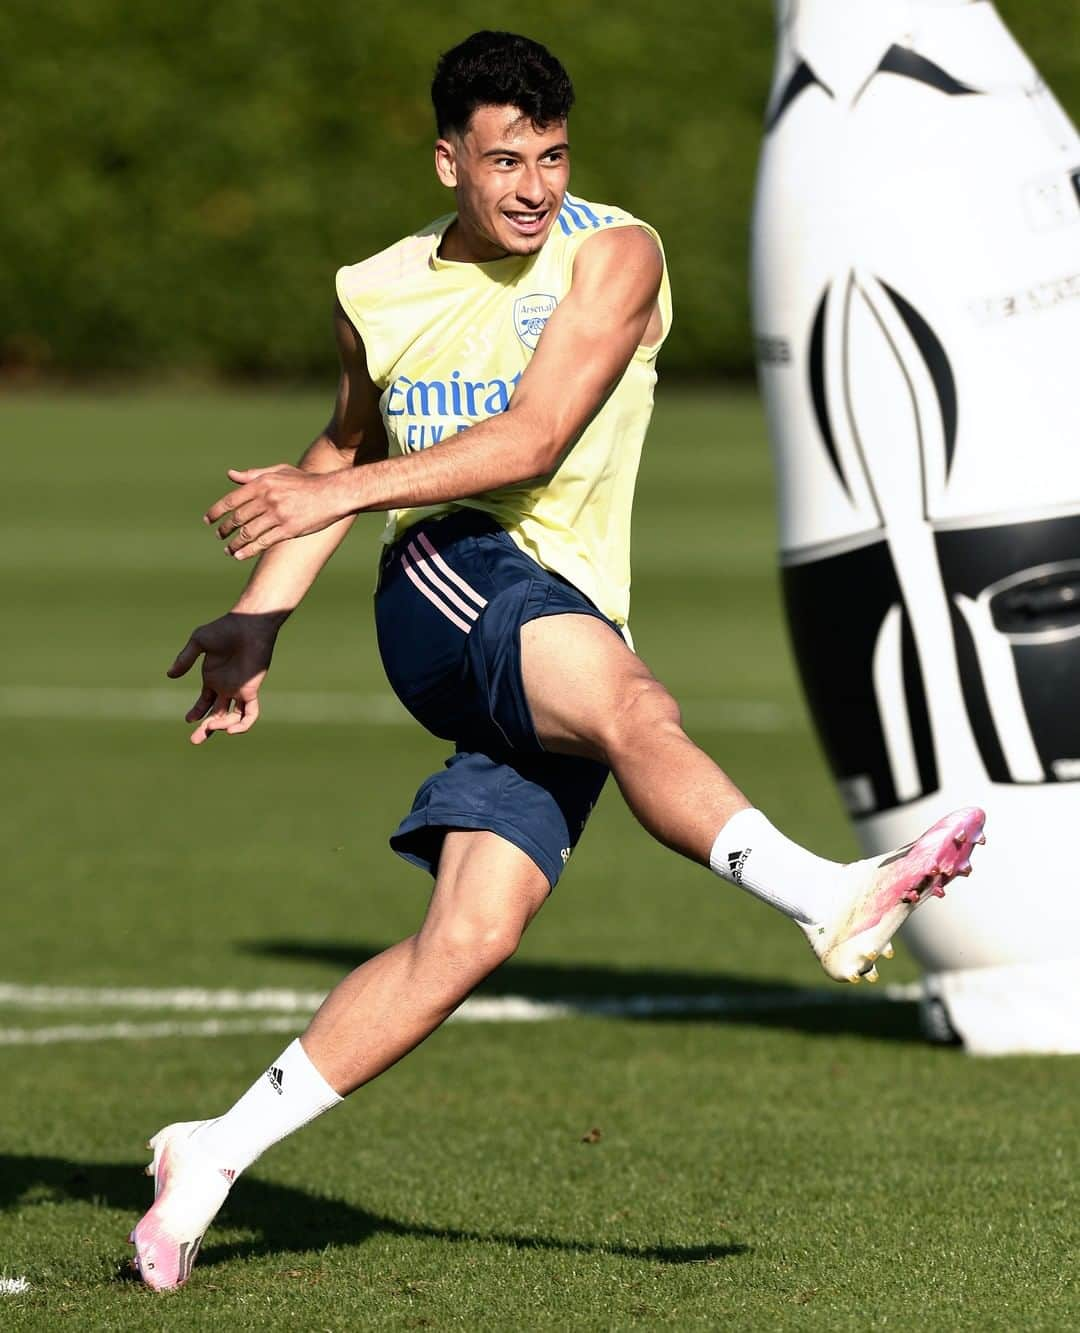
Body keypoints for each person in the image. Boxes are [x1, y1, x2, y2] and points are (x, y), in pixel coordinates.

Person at [129, 30, 985, 1291]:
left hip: (564, 613)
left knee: (470, 934)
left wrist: (333, 501)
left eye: (552, 154)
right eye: (503, 159)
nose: (532, 184)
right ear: (447, 161)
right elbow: (340, 450)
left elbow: (530, 438)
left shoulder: (614, 254)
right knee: (638, 703)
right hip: (449, 580)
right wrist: (266, 613)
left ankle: (211, 1149)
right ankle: (826, 894)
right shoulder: (375, 288)